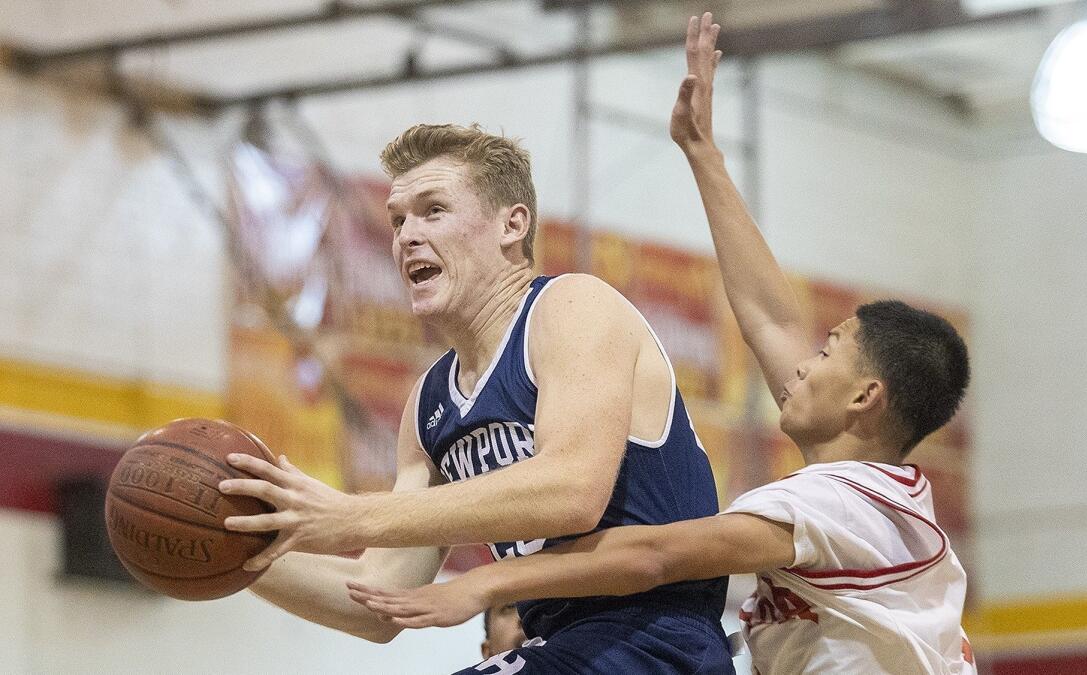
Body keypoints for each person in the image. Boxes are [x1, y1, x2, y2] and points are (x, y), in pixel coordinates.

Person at [345, 13, 976, 675]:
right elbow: (768, 315)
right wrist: (703, 153)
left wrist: (483, 581)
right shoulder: (866, 491)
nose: (799, 363)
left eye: (826, 353)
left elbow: (653, 556)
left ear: (864, 397)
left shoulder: (843, 504)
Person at [217, 122, 732, 672]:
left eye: (432, 210)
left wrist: (352, 514)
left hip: (657, 640)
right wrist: (236, 555)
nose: (406, 236)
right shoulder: (428, 401)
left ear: (512, 225)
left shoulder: (572, 308)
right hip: (560, 646)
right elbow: (375, 598)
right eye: (397, 220)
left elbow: (573, 489)